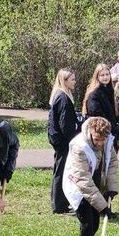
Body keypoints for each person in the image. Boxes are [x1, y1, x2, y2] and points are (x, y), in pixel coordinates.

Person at [63, 116, 119, 236]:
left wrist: (111, 188)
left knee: (95, 224)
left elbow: (112, 163)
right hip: (78, 187)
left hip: (95, 184)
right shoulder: (79, 146)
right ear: (90, 134)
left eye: (103, 140)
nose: (100, 143)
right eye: (96, 140)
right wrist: (103, 206)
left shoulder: (108, 141)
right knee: (87, 224)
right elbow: (83, 181)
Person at [47, 68, 79, 214]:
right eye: (72, 79)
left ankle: (59, 202)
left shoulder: (60, 95)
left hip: (58, 139)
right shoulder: (63, 98)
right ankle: (59, 205)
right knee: (61, 171)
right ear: (64, 81)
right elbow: (64, 124)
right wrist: (73, 138)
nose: (75, 82)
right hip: (62, 141)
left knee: (60, 170)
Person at [82, 63, 119, 150]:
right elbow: (96, 115)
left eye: (107, 74)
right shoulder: (94, 94)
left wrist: (118, 125)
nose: (105, 77)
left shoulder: (110, 90)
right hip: (101, 134)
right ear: (97, 77)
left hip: (112, 132)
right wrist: (111, 128)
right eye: (102, 75)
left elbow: (114, 113)